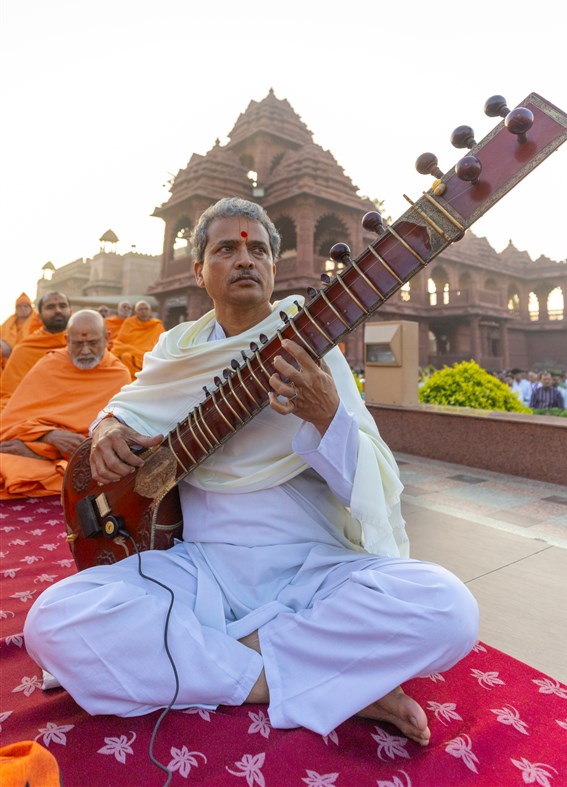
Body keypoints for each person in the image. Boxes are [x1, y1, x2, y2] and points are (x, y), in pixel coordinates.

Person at [24, 198, 478, 745]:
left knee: (449, 609)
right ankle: (307, 678)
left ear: (273, 267)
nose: (245, 258)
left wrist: (326, 414)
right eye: (227, 248)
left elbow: (370, 485)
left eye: (258, 249)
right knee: (51, 622)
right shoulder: (178, 348)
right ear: (199, 271)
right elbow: (127, 404)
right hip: (203, 570)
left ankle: (214, 660)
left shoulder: (311, 342)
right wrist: (105, 431)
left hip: (313, 567)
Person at [0, 310, 130, 499]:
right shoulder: (49, 365)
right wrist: (47, 436)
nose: (85, 351)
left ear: (107, 338)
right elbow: (10, 424)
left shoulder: (118, 374)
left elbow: (117, 436)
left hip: (83, 460)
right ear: (67, 339)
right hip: (35, 450)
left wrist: (48, 453)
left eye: (93, 343)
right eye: (77, 344)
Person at [0, 293, 72, 408]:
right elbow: (9, 395)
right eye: (50, 307)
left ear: (71, 311)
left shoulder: (84, 346)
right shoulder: (24, 350)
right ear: (39, 317)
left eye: (62, 306)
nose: (58, 310)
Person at [111, 299, 164, 377]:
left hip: (150, 352)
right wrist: (133, 349)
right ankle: (131, 380)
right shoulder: (129, 322)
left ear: (150, 312)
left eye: (146, 309)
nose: (143, 311)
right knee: (126, 356)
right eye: (140, 309)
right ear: (136, 312)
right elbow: (120, 341)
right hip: (133, 353)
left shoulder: (157, 324)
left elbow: (162, 343)